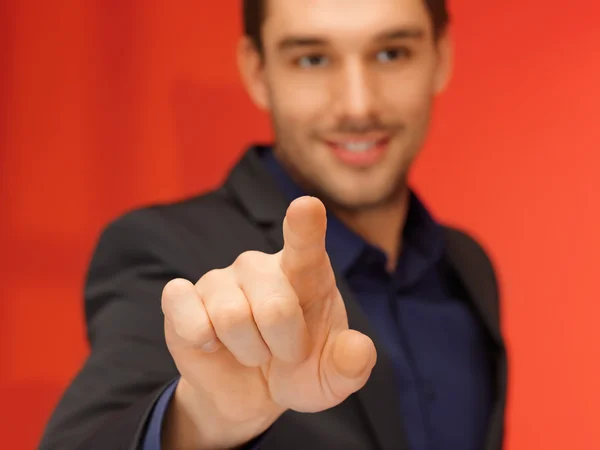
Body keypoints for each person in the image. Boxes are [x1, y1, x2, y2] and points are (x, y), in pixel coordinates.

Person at [39, 0, 508, 449]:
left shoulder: (467, 268)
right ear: (257, 71)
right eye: (312, 59)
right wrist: (205, 420)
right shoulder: (165, 252)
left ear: (441, 56)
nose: (358, 105)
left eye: (391, 53)